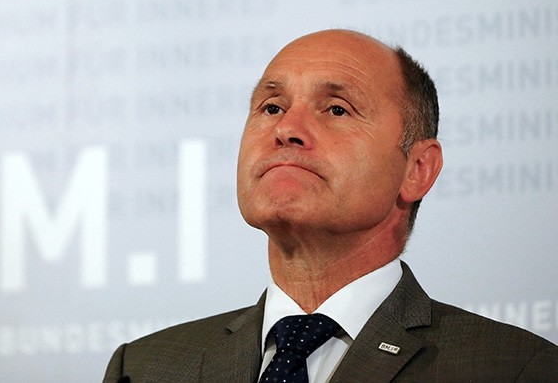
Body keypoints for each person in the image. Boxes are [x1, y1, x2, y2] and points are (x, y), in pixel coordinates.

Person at [103, 29, 558, 382]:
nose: (287, 129)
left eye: (337, 109)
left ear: (417, 169)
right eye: (271, 107)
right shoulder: (144, 369)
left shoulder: (514, 369)